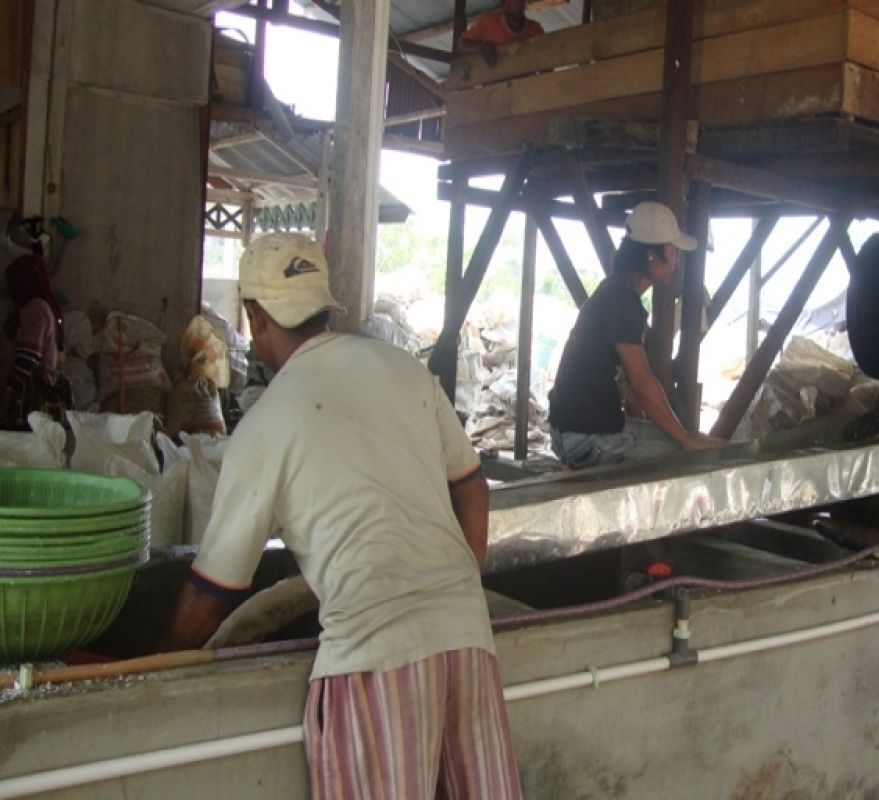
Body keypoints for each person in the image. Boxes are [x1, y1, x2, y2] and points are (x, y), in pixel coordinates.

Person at [160, 232, 521, 800]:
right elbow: (472, 486)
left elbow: (214, 590)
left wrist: (156, 667)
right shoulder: (404, 369)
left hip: (374, 660)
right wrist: (456, 587)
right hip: (467, 641)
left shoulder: (266, 423)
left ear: (255, 318)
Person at [548, 201, 725, 468]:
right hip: (584, 437)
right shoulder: (622, 301)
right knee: (686, 458)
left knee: (681, 441)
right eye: (673, 251)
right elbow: (642, 382)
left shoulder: (615, 291)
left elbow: (629, 386)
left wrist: (675, 433)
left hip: (572, 430)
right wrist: (685, 438)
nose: (676, 260)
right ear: (654, 256)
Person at [0, 254, 71, 429]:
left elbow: (29, 358)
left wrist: (8, 394)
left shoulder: (36, 309)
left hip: (26, 400)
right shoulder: (32, 309)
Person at [458, 0, 545, 67]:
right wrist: (480, 46)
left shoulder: (535, 29)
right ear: (504, 4)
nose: (519, 2)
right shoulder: (489, 22)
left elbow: (546, 59)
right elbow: (463, 42)